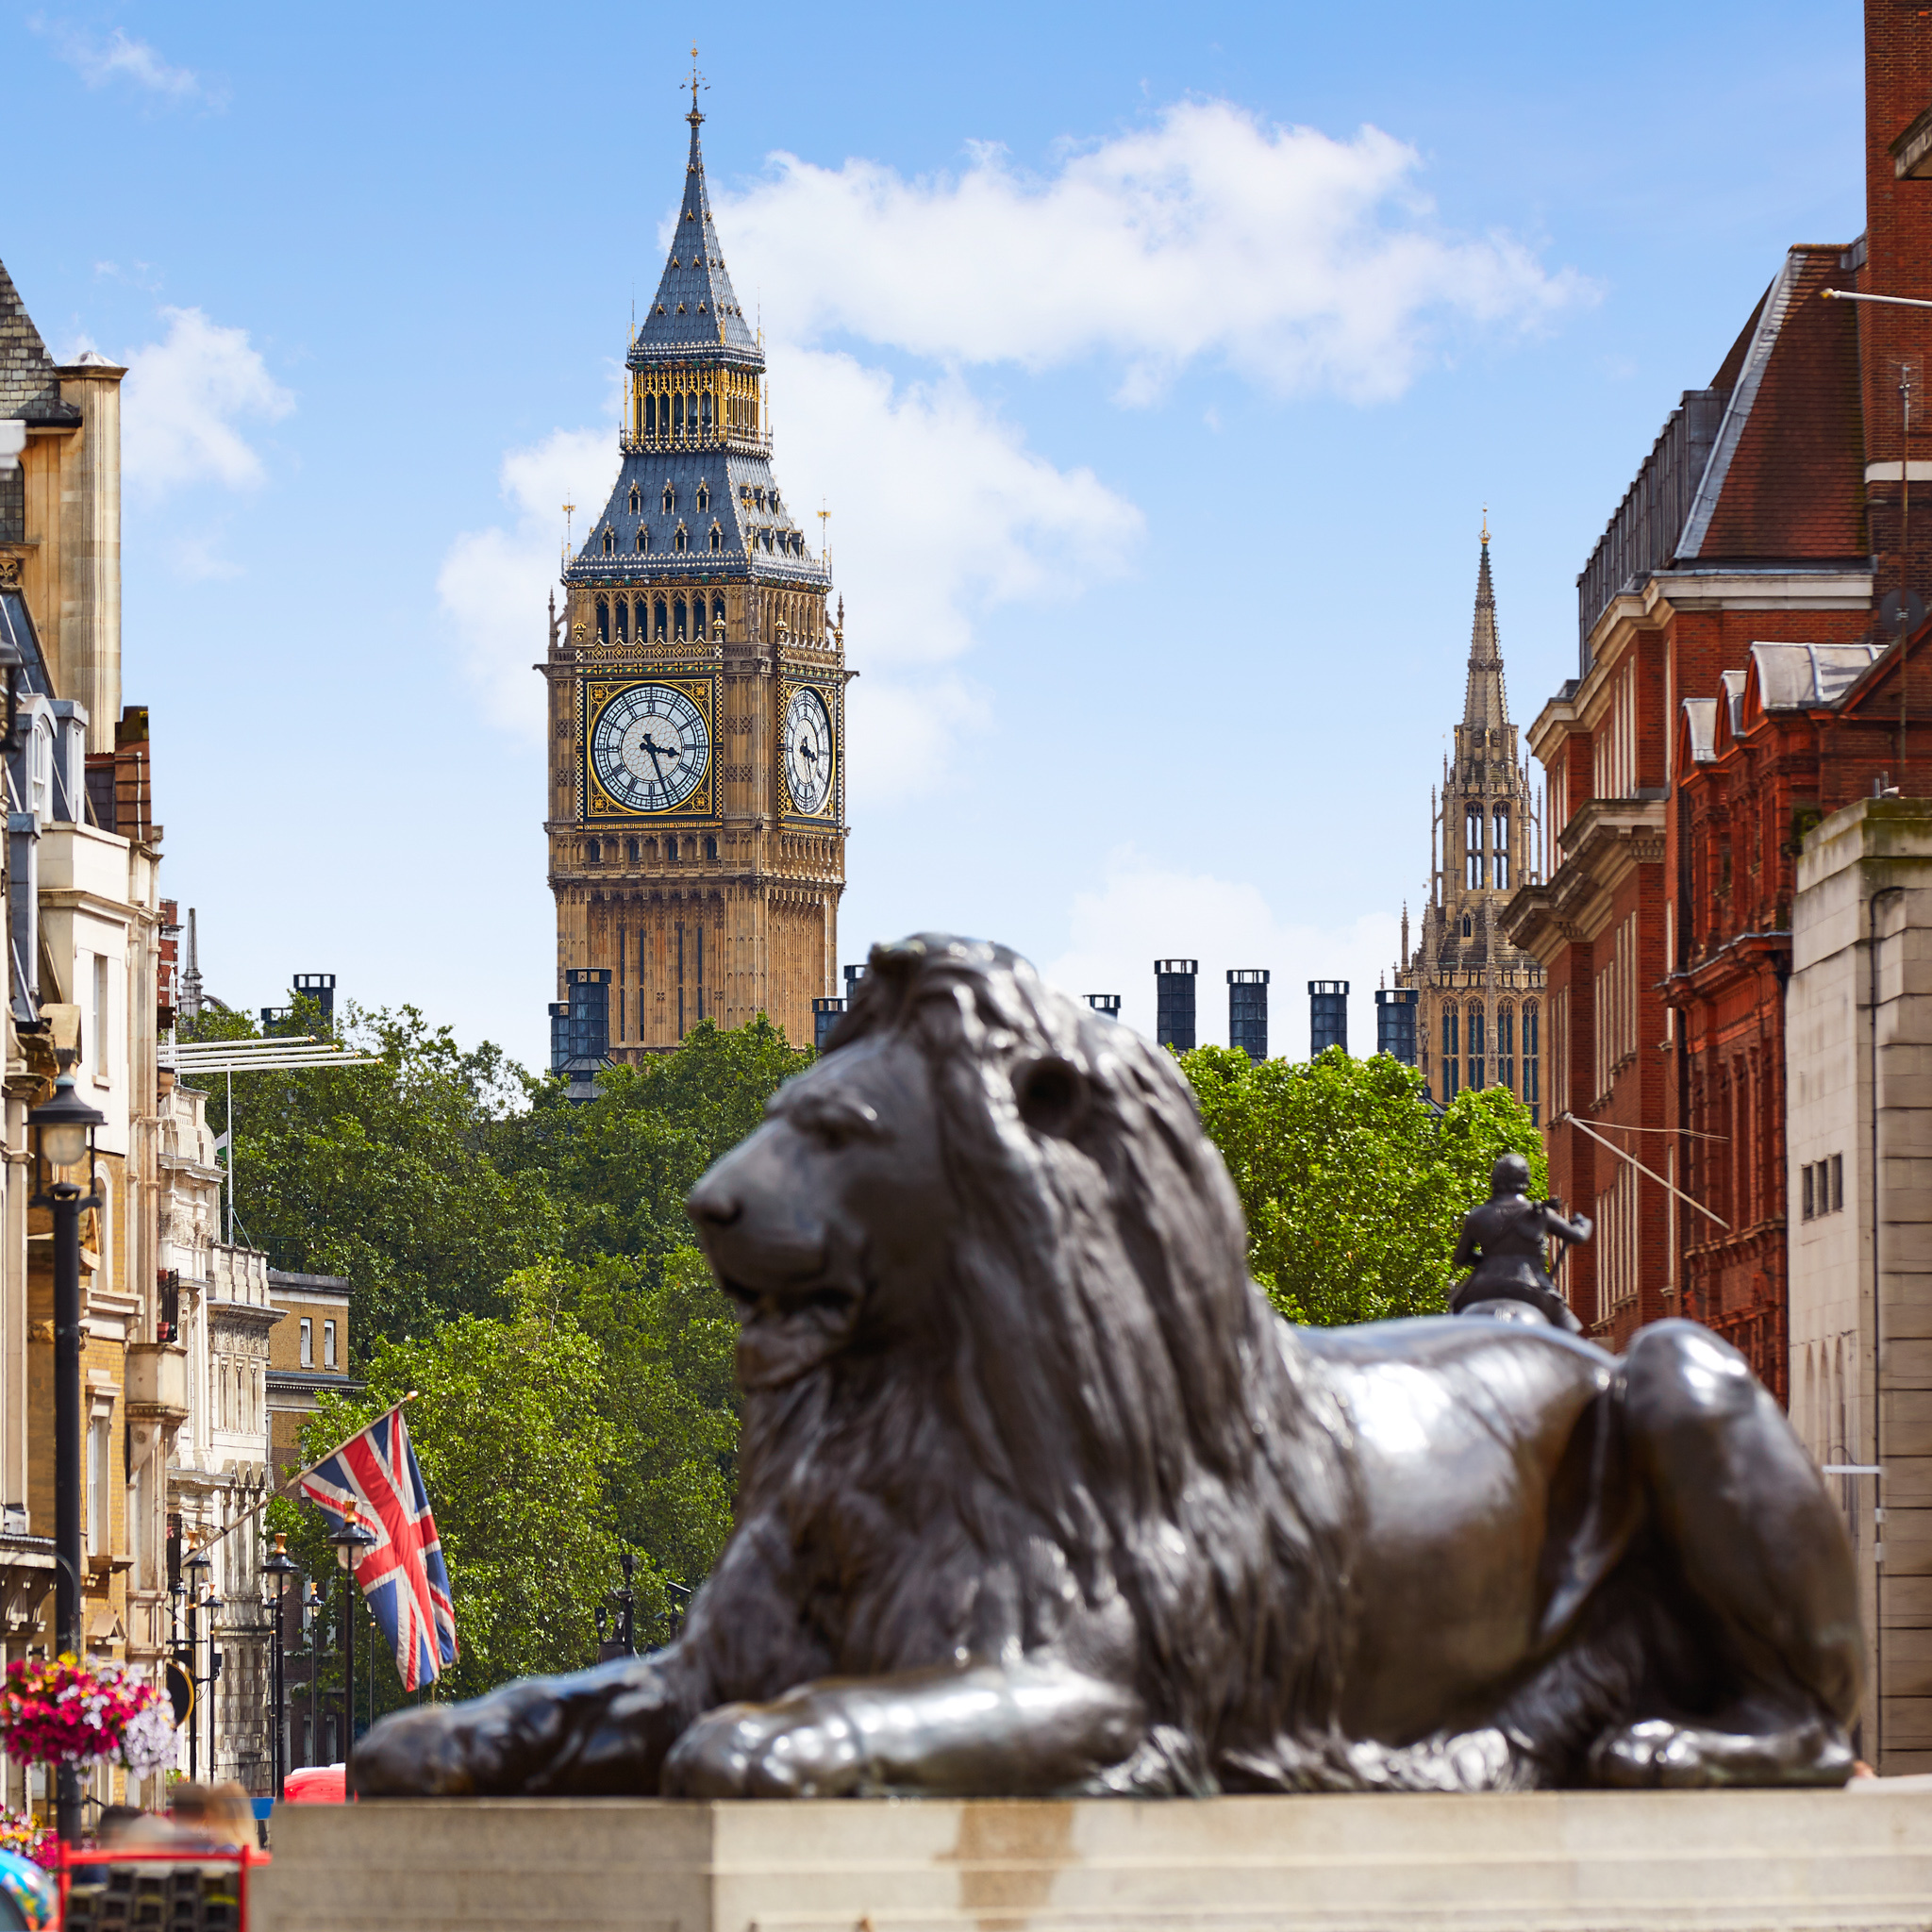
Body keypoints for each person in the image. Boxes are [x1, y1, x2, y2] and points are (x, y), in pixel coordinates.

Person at [1448, 1153, 1591, 1334]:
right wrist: (1583, 1223)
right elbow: (1578, 1237)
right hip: (1529, 1286)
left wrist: (1484, 1259)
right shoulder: (1539, 1213)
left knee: (1452, 1322)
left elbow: (1460, 1257)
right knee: (1571, 1330)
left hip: (1483, 1287)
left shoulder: (1478, 1215)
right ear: (1526, 1179)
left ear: (1496, 1180)